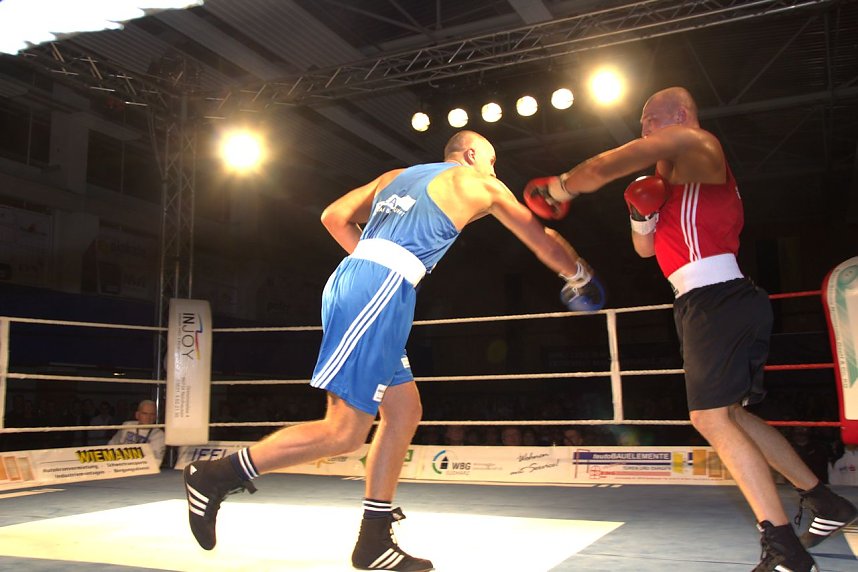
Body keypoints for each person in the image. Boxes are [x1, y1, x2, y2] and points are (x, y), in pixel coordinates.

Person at [183, 130, 604, 571]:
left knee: (404, 412)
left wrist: (374, 260)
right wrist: (579, 273)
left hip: (373, 284)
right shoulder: (479, 182)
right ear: (473, 155)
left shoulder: (395, 176)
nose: (494, 174)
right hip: (379, 289)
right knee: (345, 432)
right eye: (492, 164)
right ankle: (215, 476)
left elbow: (333, 216)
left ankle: (374, 539)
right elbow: (539, 238)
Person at [522, 87, 856, 572]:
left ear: (677, 115)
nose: (642, 128)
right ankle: (825, 502)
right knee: (732, 417)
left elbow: (609, 164)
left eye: (647, 118)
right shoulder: (672, 181)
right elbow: (647, 253)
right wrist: (642, 217)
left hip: (718, 298)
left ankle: (784, 548)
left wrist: (562, 186)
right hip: (704, 302)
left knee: (710, 419)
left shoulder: (697, 144)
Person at [108, 399, 166, 465]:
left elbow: (156, 462)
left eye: (152, 414)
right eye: (145, 414)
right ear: (137, 415)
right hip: (120, 466)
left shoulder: (159, 435)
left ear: (155, 417)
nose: (149, 417)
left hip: (143, 470)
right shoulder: (127, 426)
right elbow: (111, 445)